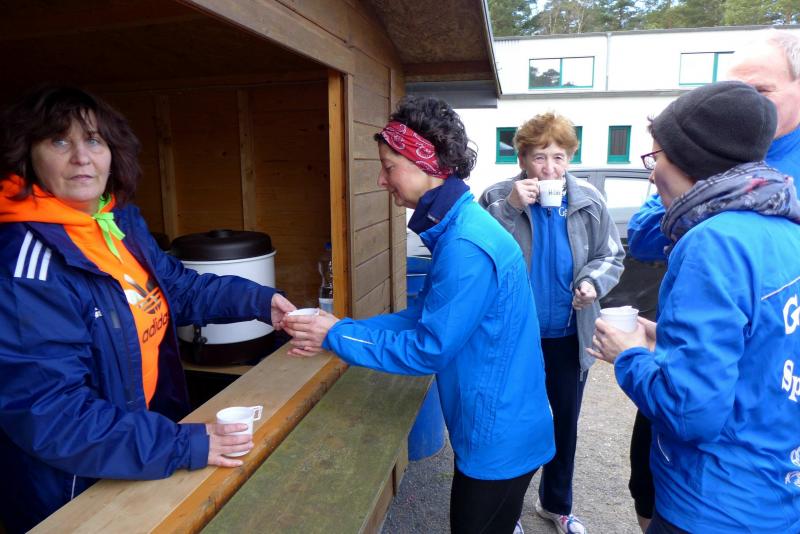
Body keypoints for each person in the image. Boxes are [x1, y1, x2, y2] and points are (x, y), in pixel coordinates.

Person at [0, 86, 296, 532]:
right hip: (72, 489)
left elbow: (175, 288)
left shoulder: (117, 222)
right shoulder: (26, 265)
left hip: (139, 446)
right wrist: (180, 445)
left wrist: (259, 301)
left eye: (94, 140)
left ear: (112, 151)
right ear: (28, 154)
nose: (81, 157)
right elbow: (51, 413)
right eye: (59, 141)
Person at [284, 95, 555, 534]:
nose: (381, 179)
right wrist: (332, 330)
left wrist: (337, 336)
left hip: (498, 437)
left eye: (388, 167)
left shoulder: (465, 245)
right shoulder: (458, 226)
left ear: (424, 163)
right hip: (503, 424)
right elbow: (425, 317)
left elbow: (429, 348)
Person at [589, 80, 800, 533]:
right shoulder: (787, 231)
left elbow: (690, 412)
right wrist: (664, 336)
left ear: (690, 158)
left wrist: (629, 355)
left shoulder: (711, 241)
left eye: (656, 157)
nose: (651, 174)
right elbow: (759, 352)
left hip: (712, 502)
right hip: (775, 497)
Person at [479, 112, 623, 534]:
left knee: (563, 425)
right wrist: (510, 208)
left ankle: (556, 505)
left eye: (558, 157)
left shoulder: (588, 200)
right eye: (539, 157)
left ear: (569, 158)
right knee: (511, 427)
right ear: (522, 159)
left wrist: (592, 284)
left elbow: (611, 255)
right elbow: (477, 254)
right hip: (514, 338)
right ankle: (507, 512)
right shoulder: (496, 197)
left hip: (568, 336)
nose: (549, 168)